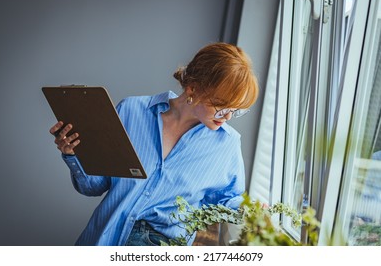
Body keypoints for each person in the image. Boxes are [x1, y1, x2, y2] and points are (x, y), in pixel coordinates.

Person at [49, 42, 259, 246]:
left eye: (237, 109)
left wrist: (253, 212)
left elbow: (228, 200)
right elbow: (94, 186)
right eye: (222, 107)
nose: (229, 116)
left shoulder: (227, 144)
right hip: (103, 240)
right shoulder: (131, 111)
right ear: (194, 89)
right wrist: (73, 154)